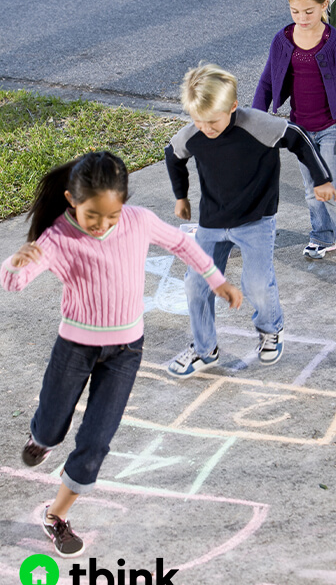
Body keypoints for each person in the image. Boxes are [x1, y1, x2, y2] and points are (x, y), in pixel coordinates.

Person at [0, 151, 242, 558]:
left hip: (126, 351)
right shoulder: (58, 237)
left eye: (111, 215)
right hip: (75, 347)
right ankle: (40, 437)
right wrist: (14, 261)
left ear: (123, 204)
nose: (102, 225)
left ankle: (55, 516)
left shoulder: (138, 221)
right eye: (93, 215)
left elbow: (183, 243)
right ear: (71, 200)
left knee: (96, 443)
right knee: (51, 430)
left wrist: (217, 281)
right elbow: (16, 283)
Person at [165, 63, 336, 378]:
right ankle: (205, 349)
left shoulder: (257, 125)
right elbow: (173, 155)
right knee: (195, 284)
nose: (206, 128)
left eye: (213, 121)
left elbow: (297, 138)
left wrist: (321, 178)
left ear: (232, 106)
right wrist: (181, 196)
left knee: (256, 282)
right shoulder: (194, 133)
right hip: (212, 223)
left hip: (256, 220)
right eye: (198, 120)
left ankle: (271, 329)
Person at [253, 0, 336, 260]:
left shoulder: (333, 41)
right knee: (312, 187)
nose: (302, 17)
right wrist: (254, 120)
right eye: (295, 10)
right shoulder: (283, 40)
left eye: (309, 11)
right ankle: (322, 236)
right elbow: (266, 82)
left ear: (325, 4)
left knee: (330, 182)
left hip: (331, 126)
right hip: (300, 128)